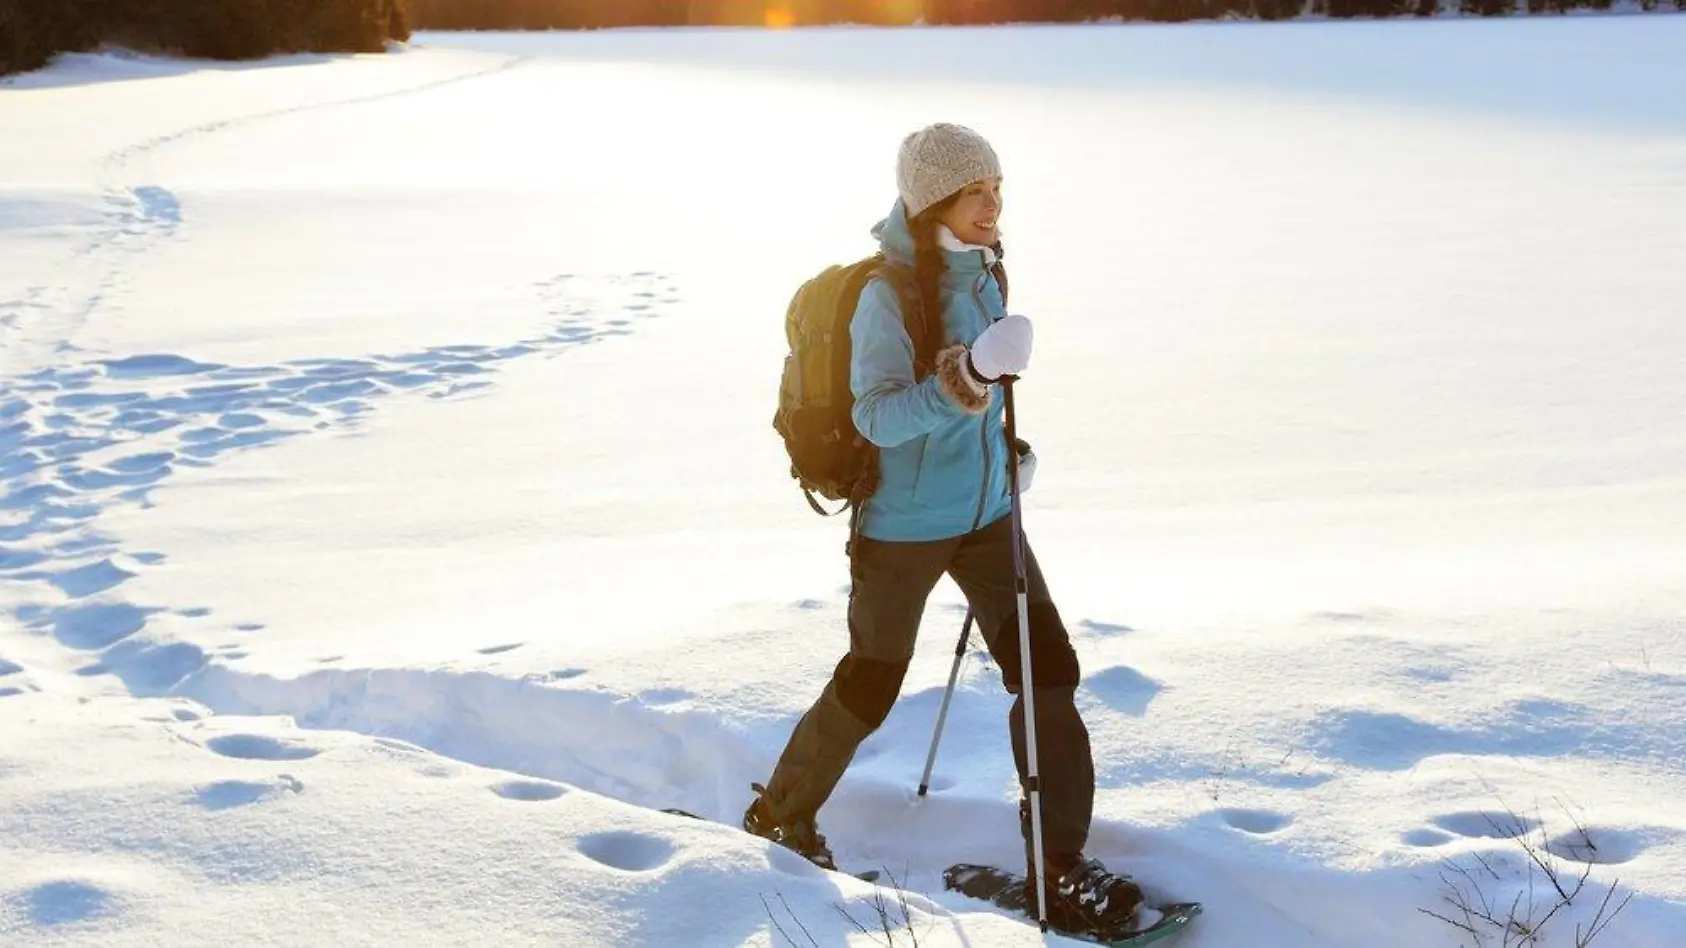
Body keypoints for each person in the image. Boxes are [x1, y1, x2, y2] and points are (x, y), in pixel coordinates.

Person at [742, 123, 1145, 934]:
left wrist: (1004, 452)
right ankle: (782, 814)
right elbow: (880, 415)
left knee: (1047, 671)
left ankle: (1060, 866)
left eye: (997, 188)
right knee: (872, 678)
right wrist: (967, 377)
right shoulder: (887, 297)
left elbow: (982, 399)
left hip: (990, 518)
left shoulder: (986, 271)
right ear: (936, 200)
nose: (992, 204)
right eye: (975, 192)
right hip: (903, 527)